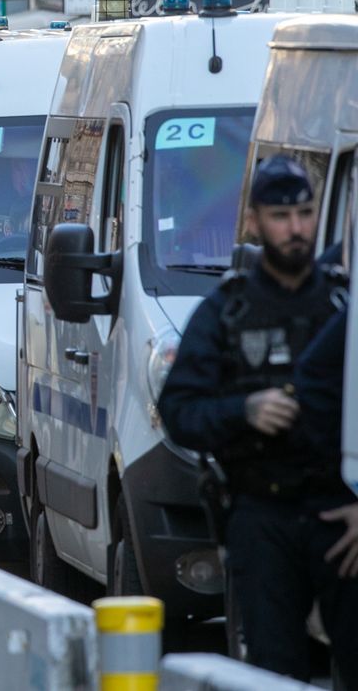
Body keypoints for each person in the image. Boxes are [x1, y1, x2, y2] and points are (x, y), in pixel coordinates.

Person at [157, 154, 356, 684]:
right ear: (253, 223)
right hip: (261, 513)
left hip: (339, 515)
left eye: (307, 214)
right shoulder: (227, 311)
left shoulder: (343, 303)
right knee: (274, 669)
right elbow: (178, 412)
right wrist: (242, 412)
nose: (296, 229)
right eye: (281, 217)